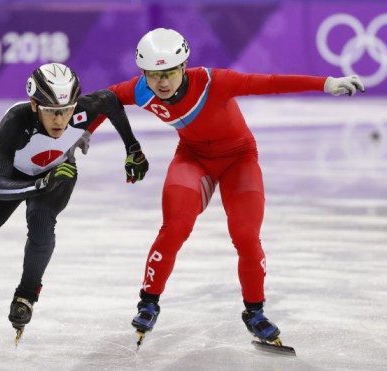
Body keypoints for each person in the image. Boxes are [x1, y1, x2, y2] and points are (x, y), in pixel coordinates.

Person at [108, 28, 365, 346]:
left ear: (184, 66)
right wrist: (75, 134)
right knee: (175, 227)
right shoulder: (141, 91)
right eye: (153, 74)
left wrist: (325, 83)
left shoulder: (214, 82)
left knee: (246, 237)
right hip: (193, 159)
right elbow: (101, 101)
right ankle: (148, 302)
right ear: (143, 73)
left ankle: (254, 312)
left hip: (238, 160)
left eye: (170, 72)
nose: (162, 82)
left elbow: (270, 83)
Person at [0, 63, 148, 343]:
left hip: (57, 174)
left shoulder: (84, 109)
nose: (60, 120)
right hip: (10, 179)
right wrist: (38, 184)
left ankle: (26, 295)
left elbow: (111, 101)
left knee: (41, 222)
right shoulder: (15, 120)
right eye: (51, 112)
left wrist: (133, 149)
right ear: (35, 106)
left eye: (66, 111)